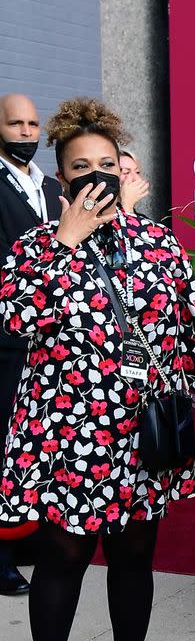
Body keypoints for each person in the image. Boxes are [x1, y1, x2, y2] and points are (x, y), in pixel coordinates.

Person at [0, 97, 195, 641]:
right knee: (65, 559)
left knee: (136, 557)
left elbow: (190, 336)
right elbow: (16, 320)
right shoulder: (36, 246)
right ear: (63, 179)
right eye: (82, 168)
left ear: (124, 169)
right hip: (71, 434)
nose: (96, 176)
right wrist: (66, 243)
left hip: (143, 436)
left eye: (107, 164)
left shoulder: (156, 242)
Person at [0, 94, 63, 595]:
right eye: (14, 123)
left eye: (32, 123)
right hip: (5, 340)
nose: (25, 132)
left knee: (38, 451)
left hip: (48, 346)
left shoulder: (48, 184)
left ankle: (30, 541)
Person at [118, 148, 150, 215]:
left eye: (137, 172)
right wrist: (127, 204)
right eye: (126, 172)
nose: (136, 178)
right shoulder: (99, 217)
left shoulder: (143, 219)